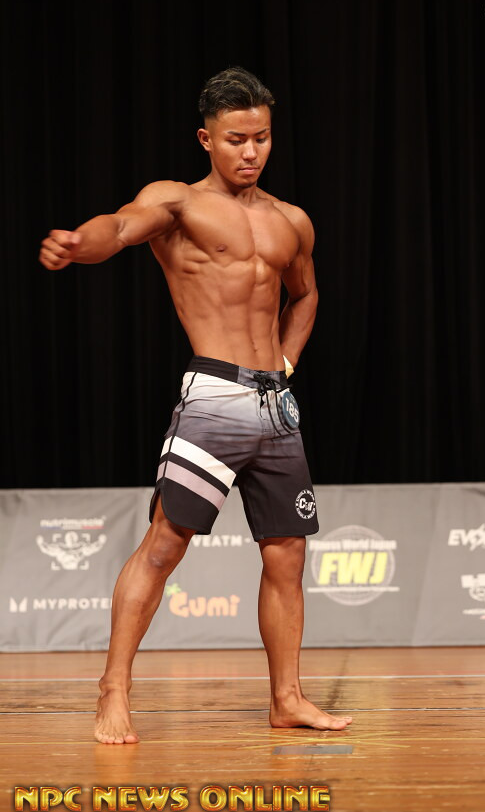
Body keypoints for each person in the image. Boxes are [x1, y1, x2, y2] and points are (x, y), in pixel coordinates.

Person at [39, 66, 353, 743]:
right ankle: (114, 689)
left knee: (287, 555)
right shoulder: (178, 204)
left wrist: (287, 364)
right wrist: (79, 246)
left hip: (276, 406)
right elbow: (119, 228)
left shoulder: (291, 220)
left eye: (261, 138)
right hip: (213, 395)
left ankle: (287, 698)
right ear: (206, 138)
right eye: (237, 138)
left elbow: (306, 295)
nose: (251, 151)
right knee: (165, 544)